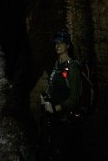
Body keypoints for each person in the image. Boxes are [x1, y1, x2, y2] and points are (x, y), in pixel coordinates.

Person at [39, 29, 82, 160]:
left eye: (61, 43)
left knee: (61, 153)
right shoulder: (57, 65)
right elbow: (52, 87)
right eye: (56, 43)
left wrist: (55, 108)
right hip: (54, 120)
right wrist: (45, 96)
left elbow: (74, 98)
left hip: (66, 121)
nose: (57, 46)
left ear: (68, 45)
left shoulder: (73, 68)